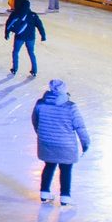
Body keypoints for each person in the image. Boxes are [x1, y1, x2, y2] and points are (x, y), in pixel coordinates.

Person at [32, 78, 90, 207]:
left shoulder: (40, 104)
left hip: (47, 143)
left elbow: (35, 121)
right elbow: (80, 127)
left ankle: (44, 192)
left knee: (49, 166)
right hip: (66, 145)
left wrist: (42, 135)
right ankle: (65, 196)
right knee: (66, 169)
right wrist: (85, 143)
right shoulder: (71, 107)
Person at [5, 0, 48, 76]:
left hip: (19, 37)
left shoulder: (16, 13)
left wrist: (6, 33)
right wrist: (43, 35)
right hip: (30, 38)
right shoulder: (33, 15)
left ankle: (14, 68)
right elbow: (40, 26)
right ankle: (34, 70)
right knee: (31, 53)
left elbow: (8, 23)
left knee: (15, 52)